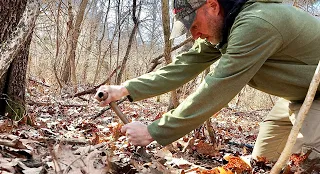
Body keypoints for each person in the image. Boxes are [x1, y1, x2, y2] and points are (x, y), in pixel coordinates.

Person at [95, 0, 320, 161]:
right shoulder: (227, 26)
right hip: (299, 95)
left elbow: (218, 87)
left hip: (317, 94)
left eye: (194, 26)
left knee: (305, 163)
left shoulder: (256, 23)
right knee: (263, 161)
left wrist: (154, 131)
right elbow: (184, 65)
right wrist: (124, 89)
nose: (194, 35)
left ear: (212, 6)